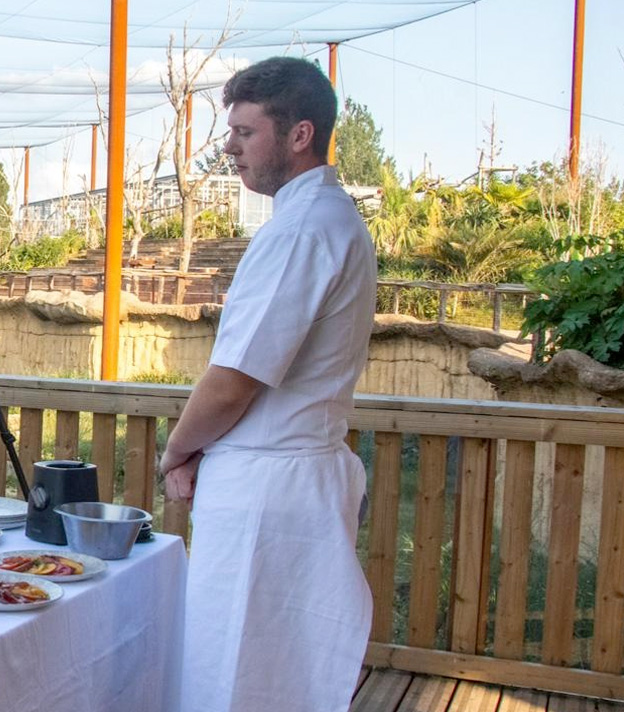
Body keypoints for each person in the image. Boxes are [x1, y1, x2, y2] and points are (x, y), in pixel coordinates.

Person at [159, 57, 377, 712]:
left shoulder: (304, 230)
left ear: (299, 134)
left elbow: (233, 382)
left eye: (245, 132)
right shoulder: (326, 221)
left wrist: (177, 450)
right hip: (286, 480)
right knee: (276, 675)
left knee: (236, 673)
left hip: (269, 495)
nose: (229, 147)